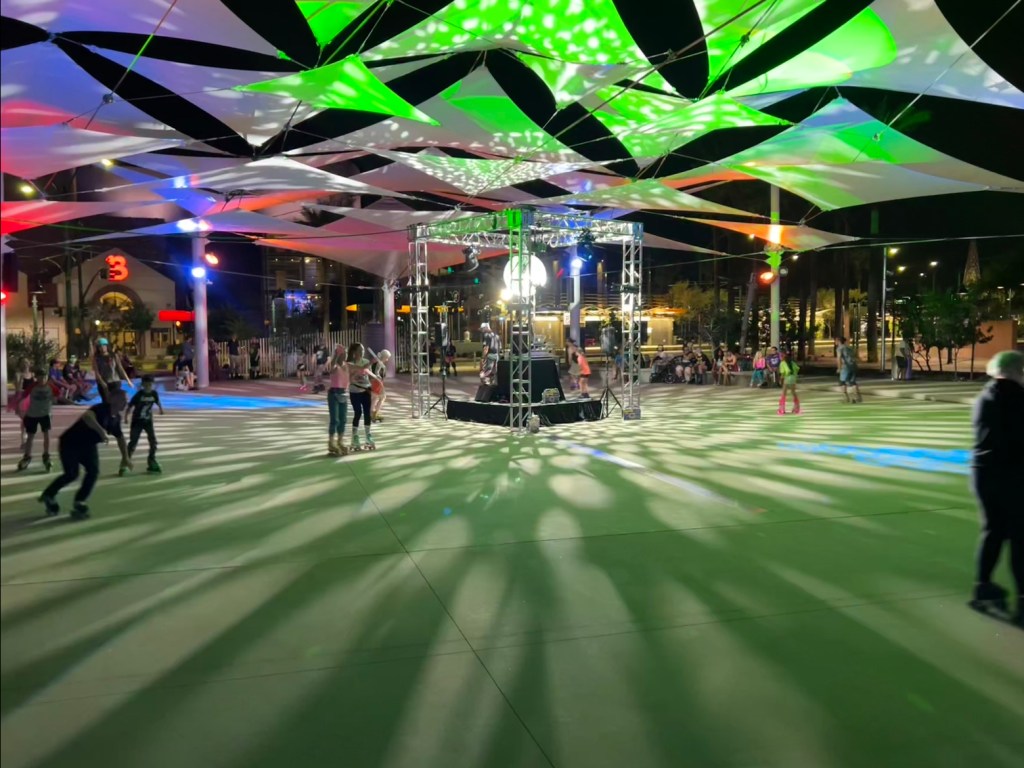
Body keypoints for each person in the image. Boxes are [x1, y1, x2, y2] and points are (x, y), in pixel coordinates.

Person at [968, 351, 1024, 625]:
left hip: (982, 473)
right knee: (1020, 538)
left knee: (993, 531)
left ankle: (983, 586)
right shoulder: (1019, 399)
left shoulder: (984, 397)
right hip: (1013, 476)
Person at [38, 383, 128, 521]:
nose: (126, 403)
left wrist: (125, 458)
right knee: (72, 474)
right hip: (70, 443)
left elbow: (120, 438)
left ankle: (80, 501)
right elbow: (88, 416)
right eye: (123, 400)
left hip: (88, 446)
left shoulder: (116, 418)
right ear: (113, 400)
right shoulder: (101, 409)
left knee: (93, 472)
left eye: (126, 400)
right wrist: (101, 431)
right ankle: (49, 495)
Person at [346, 343, 381, 451]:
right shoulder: (350, 363)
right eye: (360, 350)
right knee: (358, 412)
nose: (362, 352)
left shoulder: (366, 361)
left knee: (367, 413)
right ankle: (355, 437)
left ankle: (368, 436)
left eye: (363, 350)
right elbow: (356, 373)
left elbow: (369, 375)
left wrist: (376, 378)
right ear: (354, 352)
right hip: (355, 391)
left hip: (366, 390)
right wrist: (371, 362)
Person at [126, 374, 165, 473]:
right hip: (137, 421)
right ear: (142, 385)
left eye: (150, 385)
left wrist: (161, 409)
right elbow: (130, 406)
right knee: (133, 442)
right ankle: (126, 461)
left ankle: (151, 461)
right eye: (146, 385)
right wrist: (126, 417)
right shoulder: (139, 395)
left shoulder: (154, 394)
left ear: (153, 385)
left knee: (153, 442)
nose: (148, 387)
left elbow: (157, 402)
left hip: (148, 421)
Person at [18, 370, 54, 473]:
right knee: (30, 436)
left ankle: (46, 455)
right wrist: (20, 409)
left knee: (46, 434)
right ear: (36, 378)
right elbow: (23, 397)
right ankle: (27, 456)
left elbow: (57, 396)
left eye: (44, 377)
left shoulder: (51, 387)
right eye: (40, 377)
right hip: (32, 415)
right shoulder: (32, 387)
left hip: (45, 415)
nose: (42, 380)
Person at [325, 344, 350, 456]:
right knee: (335, 419)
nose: (345, 355)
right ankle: (331, 442)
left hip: (343, 394)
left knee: (343, 419)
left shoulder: (346, 366)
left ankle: (340, 441)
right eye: (344, 353)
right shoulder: (335, 366)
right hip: (334, 394)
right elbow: (331, 368)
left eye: (346, 353)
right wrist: (336, 354)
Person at [836, 336, 863, 403]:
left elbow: (839, 358)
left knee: (842, 382)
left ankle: (846, 398)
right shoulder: (849, 347)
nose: (835, 342)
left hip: (846, 366)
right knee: (852, 382)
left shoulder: (840, 348)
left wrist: (839, 368)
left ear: (838, 341)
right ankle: (857, 397)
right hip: (853, 365)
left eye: (836, 341)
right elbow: (856, 356)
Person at [371, 349, 391, 423]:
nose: (387, 359)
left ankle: (372, 413)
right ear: (384, 357)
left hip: (374, 381)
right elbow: (377, 372)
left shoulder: (376, 362)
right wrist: (378, 377)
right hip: (378, 382)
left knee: (375, 398)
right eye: (387, 358)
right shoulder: (380, 363)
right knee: (382, 397)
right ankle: (375, 413)